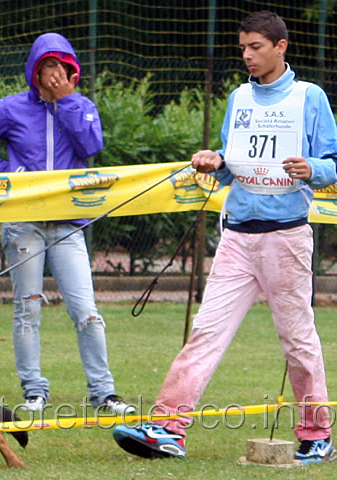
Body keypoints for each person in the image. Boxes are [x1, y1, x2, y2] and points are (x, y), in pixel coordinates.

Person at [113, 11, 336, 464]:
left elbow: (332, 162)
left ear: (281, 47)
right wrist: (213, 159)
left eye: (255, 47)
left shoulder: (309, 97)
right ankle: (168, 428)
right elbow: (232, 159)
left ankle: (317, 434)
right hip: (235, 236)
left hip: (286, 238)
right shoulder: (238, 97)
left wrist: (314, 169)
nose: (247, 56)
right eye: (243, 48)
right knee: (205, 333)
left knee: (298, 340)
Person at [0, 32, 134, 415]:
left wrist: (66, 103)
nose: (54, 73)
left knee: (86, 310)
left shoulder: (83, 105)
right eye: (46, 67)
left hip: (69, 223)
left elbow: (91, 146)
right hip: (23, 222)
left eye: (61, 66)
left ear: (72, 71)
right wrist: (9, 174)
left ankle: (103, 393)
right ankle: (34, 392)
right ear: (34, 72)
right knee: (28, 308)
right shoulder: (10, 108)